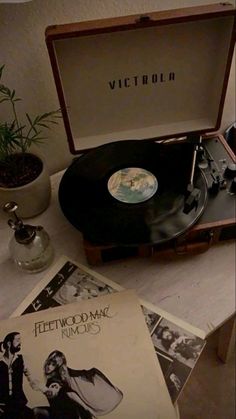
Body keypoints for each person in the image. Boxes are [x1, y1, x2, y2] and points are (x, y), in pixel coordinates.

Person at [34, 350, 123, 419]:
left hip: (67, 416)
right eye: (49, 363)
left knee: (36, 412)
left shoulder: (55, 380)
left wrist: (88, 409)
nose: (49, 366)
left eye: (53, 365)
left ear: (57, 367)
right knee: (36, 411)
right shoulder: (54, 378)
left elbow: (69, 394)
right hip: (60, 413)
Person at [0, 332, 35, 419]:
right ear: (9, 343)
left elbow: (31, 378)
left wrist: (44, 388)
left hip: (19, 404)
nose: (20, 343)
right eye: (18, 340)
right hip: (3, 406)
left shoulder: (21, 360)